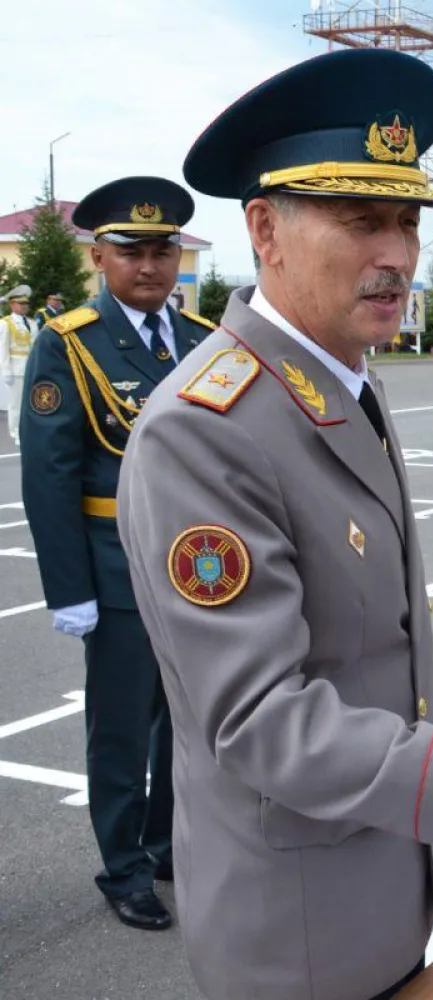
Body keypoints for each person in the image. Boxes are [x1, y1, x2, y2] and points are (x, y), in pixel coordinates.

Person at [114, 50, 433, 1000]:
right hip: (298, 926)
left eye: (406, 221)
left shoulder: (337, 379)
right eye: (362, 221)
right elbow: (262, 719)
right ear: (266, 229)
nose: (397, 253)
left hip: (379, 883)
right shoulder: (207, 428)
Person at [19, 179, 211, 931]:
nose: (151, 265)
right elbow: (50, 472)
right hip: (118, 562)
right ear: (99, 255)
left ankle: (165, 845)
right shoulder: (68, 341)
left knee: (186, 720)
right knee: (123, 723)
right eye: (132, 251)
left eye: (164, 250)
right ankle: (123, 866)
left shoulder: (198, 341)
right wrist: (69, 588)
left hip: (196, 569)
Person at [2, 285, 36, 446]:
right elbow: (2, 348)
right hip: (15, 369)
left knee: (30, 402)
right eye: (20, 303)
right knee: (16, 403)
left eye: (26, 304)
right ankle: (15, 432)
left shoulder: (32, 322)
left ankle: (27, 430)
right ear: (12, 305)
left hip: (31, 367)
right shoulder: (5, 323)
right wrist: (5, 370)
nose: (24, 306)